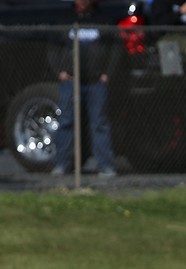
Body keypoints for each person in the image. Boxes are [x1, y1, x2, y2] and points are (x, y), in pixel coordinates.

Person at [49, 0, 117, 177]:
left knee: (99, 123)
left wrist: (107, 73)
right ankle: (62, 164)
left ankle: (105, 166)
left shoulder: (104, 20)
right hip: (71, 81)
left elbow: (115, 48)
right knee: (66, 121)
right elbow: (53, 48)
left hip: (96, 82)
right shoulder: (65, 20)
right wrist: (59, 71)